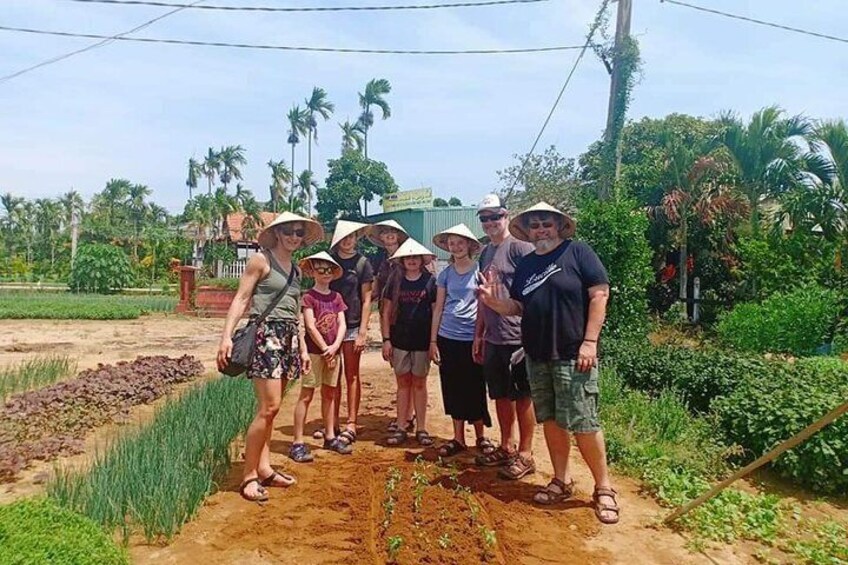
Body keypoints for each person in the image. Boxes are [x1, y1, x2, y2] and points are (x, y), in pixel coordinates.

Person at [478, 201, 620, 525]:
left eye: (546, 224)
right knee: (552, 422)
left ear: (558, 226)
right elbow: (517, 307)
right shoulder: (527, 264)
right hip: (537, 355)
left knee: (584, 422)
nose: (541, 230)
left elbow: (600, 295)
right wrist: (491, 302)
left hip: (574, 353)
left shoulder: (578, 253)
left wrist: (590, 342)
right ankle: (561, 479)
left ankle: (604, 487)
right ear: (527, 231)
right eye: (535, 226)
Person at [216, 212, 323, 503]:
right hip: (266, 337)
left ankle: (264, 467)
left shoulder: (297, 270)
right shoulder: (260, 261)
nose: (293, 236)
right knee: (269, 406)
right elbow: (241, 298)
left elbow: (296, 309)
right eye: (288, 231)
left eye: (299, 232)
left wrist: (302, 347)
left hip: (288, 338)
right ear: (276, 233)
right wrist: (227, 335)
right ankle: (249, 476)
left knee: (273, 409)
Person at [472, 194, 537, 480]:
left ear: (506, 216)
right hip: (494, 337)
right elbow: (483, 299)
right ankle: (506, 445)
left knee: (522, 396)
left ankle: (526, 453)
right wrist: (479, 334)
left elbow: (534, 290)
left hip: (518, 336)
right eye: (484, 218)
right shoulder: (485, 253)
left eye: (494, 217)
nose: (489, 223)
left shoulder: (521, 248)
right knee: (499, 394)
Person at [430, 224, 494, 457]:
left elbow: (484, 304)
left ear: (469, 245)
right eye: (451, 243)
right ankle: (458, 438)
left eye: (460, 242)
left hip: (472, 337)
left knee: (475, 386)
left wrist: (482, 334)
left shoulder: (479, 270)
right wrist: (433, 341)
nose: (455, 247)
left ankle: (481, 436)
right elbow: (438, 308)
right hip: (448, 336)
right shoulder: (445, 274)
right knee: (453, 386)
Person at [290, 252, 353, 463]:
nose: (325, 273)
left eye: (328, 270)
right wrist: (325, 347)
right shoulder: (309, 297)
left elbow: (342, 324)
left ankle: (330, 436)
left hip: (333, 352)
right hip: (315, 353)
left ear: (334, 273)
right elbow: (309, 325)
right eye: (320, 269)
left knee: (330, 394)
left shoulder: (337, 298)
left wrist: (335, 347)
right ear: (312, 272)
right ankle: (298, 441)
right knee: (306, 395)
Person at [381, 238, 437, 447]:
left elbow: (435, 312)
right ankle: (402, 425)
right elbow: (386, 312)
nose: (412, 260)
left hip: (422, 341)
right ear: (402, 260)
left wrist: (433, 341)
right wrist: (386, 340)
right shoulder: (394, 282)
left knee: (419, 383)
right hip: (399, 340)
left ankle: (421, 428)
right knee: (403, 383)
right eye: (408, 257)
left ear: (422, 260)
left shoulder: (430, 281)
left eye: (415, 257)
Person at [328, 220, 374, 446]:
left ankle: (351, 423)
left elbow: (367, 299)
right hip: (329, 327)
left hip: (353, 324)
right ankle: (331, 422)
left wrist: (363, 331)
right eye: (344, 237)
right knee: (331, 376)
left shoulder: (363, 263)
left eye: (352, 236)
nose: (348, 241)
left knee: (352, 374)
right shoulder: (328, 261)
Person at [368, 220, 415, 436]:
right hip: (389, 316)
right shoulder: (382, 261)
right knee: (399, 366)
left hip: (411, 318)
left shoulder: (410, 256)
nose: (389, 235)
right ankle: (405, 413)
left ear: (399, 235)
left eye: (392, 232)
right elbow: (377, 287)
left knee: (412, 370)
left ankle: (409, 414)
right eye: (385, 232)